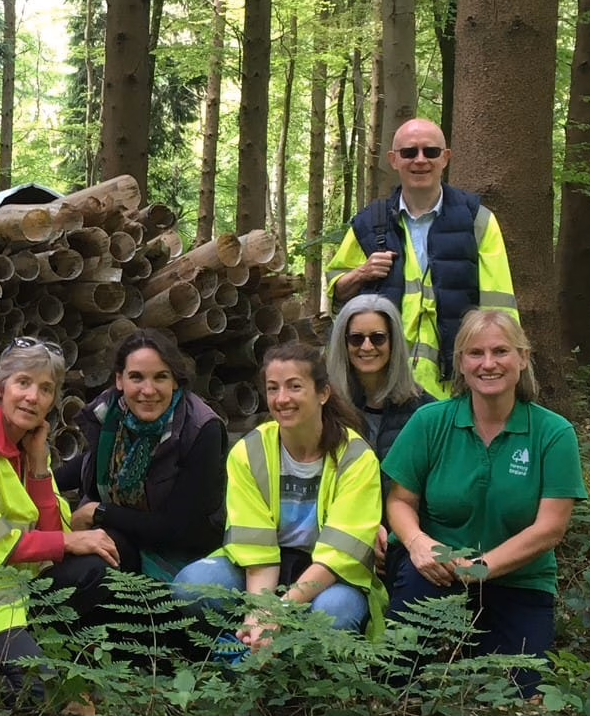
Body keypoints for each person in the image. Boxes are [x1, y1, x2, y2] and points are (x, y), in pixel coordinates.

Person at [382, 308, 586, 696]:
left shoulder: (553, 433)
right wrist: (419, 544)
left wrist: (480, 569)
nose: (488, 363)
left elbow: (550, 528)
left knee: (516, 696)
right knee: (399, 680)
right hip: (438, 566)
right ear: (460, 363)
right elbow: (400, 502)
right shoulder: (430, 422)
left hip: (519, 578)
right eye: (475, 353)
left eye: (501, 352)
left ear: (523, 358)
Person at [173, 341, 383, 639]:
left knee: (334, 613)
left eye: (294, 386)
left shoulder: (356, 457)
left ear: (323, 393)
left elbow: (338, 556)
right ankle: (239, 654)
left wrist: (280, 611)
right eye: (273, 388)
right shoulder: (250, 451)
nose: (282, 399)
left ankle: (309, 675)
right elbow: (257, 551)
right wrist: (259, 613)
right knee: (191, 584)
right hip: (266, 566)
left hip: (328, 574)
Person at [0, 340, 120, 680]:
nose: (32, 397)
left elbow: (54, 532)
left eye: (45, 389)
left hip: (26, 591)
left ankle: (74, 667)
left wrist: (40, 466)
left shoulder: (28, 444)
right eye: (23, 382)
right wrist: (69, 542)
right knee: (37, 690)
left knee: (94, 568)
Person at [325, 117, 519, 400]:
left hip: (455, 388)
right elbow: (338, 292)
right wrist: (361, 273)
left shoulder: (476, 220)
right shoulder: (369, 223)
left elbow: (499, 309)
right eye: (409, 152)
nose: (420, 160)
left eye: (430, 152)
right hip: (384, 389)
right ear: (393, 160)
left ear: (445, 158)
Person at [58, 328, 228, 584]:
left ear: (175, 381)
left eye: (160, 377)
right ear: (119, 379)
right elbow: (90, 463)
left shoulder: (201, 430)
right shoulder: (113, 414)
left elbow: (181, 528)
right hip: (123, 534)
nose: (147, 390)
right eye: (136, 377)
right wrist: (38, 479)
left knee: (94, 565)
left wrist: (98, 512)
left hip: (179, 552)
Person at [326, 294, 429, 463]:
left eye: (378, 338)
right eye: (356, 338)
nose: (367, 347)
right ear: (343, 343)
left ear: (393, 342)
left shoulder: (425, 410)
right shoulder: (326, 407)